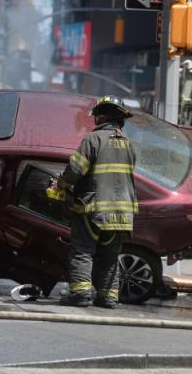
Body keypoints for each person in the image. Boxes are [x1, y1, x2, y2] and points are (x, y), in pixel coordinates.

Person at [47, 96, 138, 309]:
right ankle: (108, 297)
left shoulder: (93, 140)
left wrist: (59, 186)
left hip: (93, 210)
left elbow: (75, 171)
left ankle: (80, 294)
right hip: (122, 214)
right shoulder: (128, 145)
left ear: (101, 117)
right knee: (110, 256)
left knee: (82, 251)